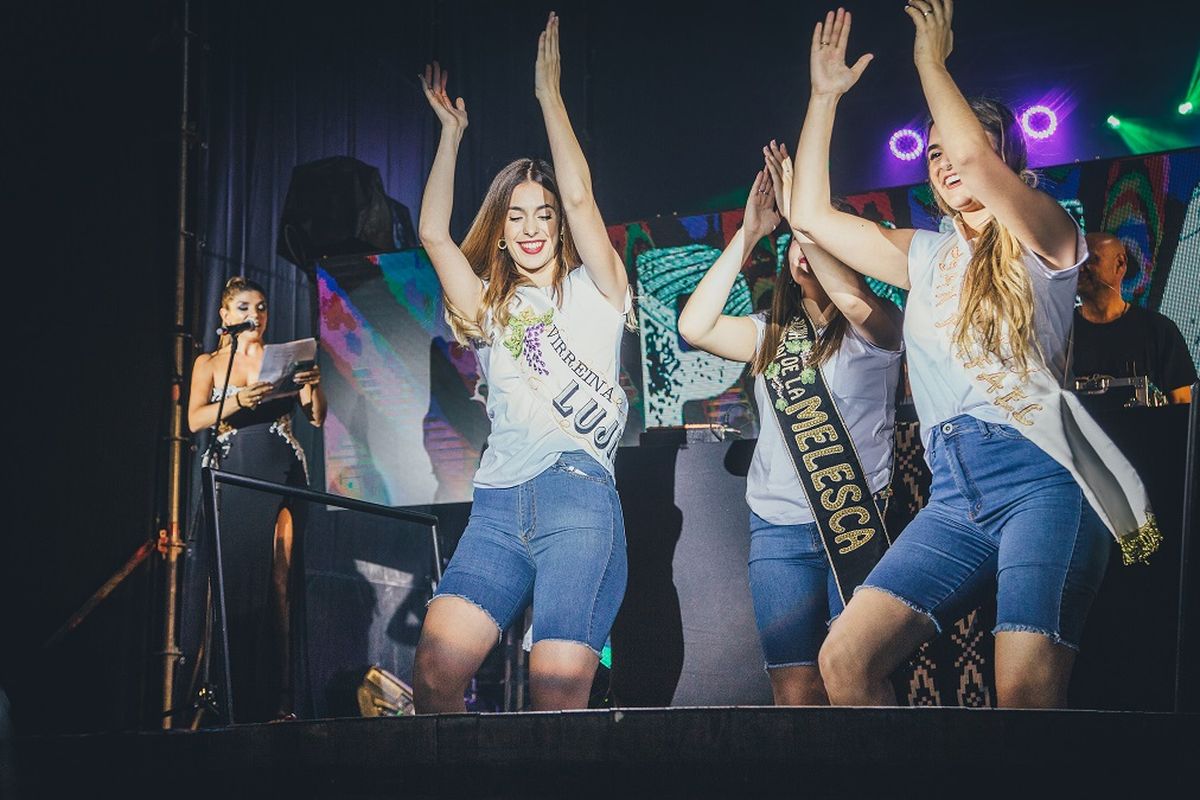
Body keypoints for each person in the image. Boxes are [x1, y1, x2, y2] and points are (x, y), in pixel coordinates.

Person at [789, 3, 1157, 708]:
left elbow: (972, 160)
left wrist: (931, 63)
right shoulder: (924, 254)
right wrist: (824, 97)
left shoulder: (1048, 234)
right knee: (846, 660)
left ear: (1004, 160)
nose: (945, 163)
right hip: (955, 491)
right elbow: (809, 215)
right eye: (930, 156)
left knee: (1019, 698)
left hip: (1047, 480)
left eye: (957, 150)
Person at [412, 12, 633, 713]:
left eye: (542, 215)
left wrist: (549, 97)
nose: (533, 227)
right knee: (434, 677)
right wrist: (451, 136)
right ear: (501, 234)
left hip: (578, 504)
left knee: (554, 702)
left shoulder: (599, 290)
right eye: (515, 216)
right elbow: (431, 234)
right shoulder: (492, 308)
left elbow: (578, 191)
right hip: (498, 512)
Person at [678, 143, 902, 706]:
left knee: (858, 677)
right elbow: (694, 326)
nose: (805, 250)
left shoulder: (879, 329)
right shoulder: (768, 331)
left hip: (854, 521)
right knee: (794, 691)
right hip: (776, 532)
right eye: (798, 242)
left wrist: (807, 222)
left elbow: (856, 306)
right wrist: (750, 233)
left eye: (821, 239)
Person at [187, 276, 325, 721]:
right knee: (236, 580)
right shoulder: (210, 364)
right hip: (234, 470)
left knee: (280, 578)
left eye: (262, 307)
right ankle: (233, 696)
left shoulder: (280, 357)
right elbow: (194, 420)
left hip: (281, 466)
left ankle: (283, 698)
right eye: (245, 307)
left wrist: (314, 385)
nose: (256, 315)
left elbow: (316, 416)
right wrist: (240, 401)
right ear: (225, 316)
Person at [1072, 231, 1195, 404]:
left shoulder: (1158, 330)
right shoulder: (1058, 332)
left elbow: (1183, 405)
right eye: (1076, 260)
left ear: (1120, 264)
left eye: (1091, 259)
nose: (1080, 268)